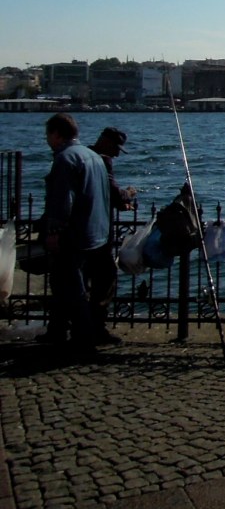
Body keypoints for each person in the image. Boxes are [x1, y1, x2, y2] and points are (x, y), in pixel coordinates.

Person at [41, 112, 112, 354]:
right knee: (75, 287)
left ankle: (83, 338)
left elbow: (62, 200)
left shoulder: (64, 159)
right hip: (97, 233)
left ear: (57, 134)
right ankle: (59, 331)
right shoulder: (93, 156)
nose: (47, 139)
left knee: (72, 288)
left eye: (48, 135)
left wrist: (54, 230)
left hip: (75, 234)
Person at [87, 127, 137, 345]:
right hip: (97, 232)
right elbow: (114, 192)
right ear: (104, 142)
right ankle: (96, 329)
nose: (117, 154)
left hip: (80, 230)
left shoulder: (83, 156)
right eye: (115, 148)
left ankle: (62, 327)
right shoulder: (101, 161)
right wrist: (129, 194)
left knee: (77, 280)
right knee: (105, 277)